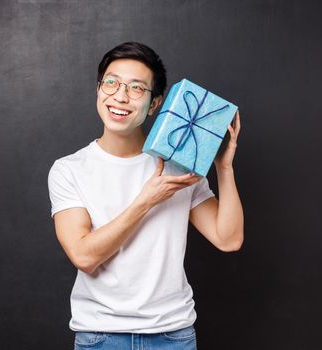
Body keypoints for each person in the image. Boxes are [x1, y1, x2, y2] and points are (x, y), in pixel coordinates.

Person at [47, 42, 243, 350]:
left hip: (173, 335)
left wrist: (224, 168)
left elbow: (228, 239)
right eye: (111, 83)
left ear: (155, 104)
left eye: (137, 88)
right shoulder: (69, 169)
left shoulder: (180, 164)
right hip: (100, 336)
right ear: (99, 89)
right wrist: (146, 200)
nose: (120, 96)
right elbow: (84, 256)